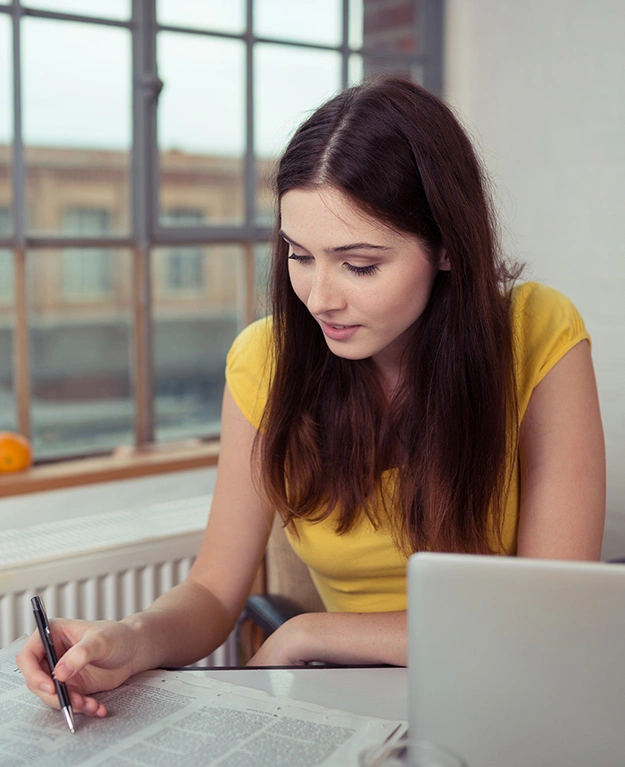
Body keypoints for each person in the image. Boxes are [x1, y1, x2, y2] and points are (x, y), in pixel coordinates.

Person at [17, 77, 605, 719]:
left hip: (512, 695)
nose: (320, 297)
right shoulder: (263, 362)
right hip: (356, 706)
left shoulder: (537, 334)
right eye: (299, 256)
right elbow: (214, 590)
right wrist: (129, 639)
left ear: (445, 248)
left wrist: (310, 632)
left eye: (359, 266)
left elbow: (552, 610)